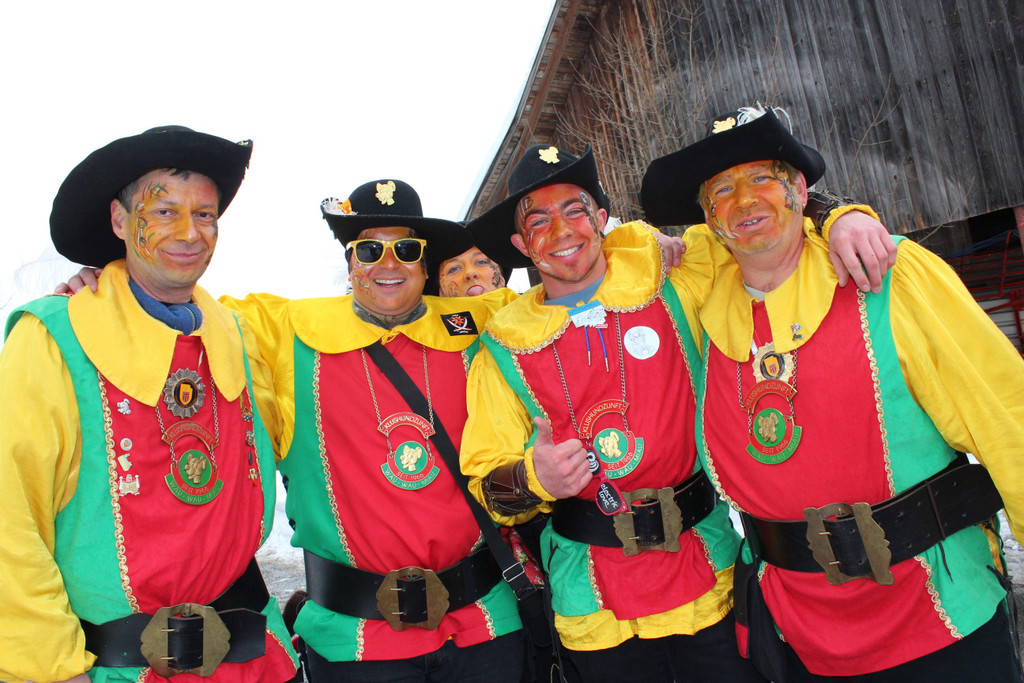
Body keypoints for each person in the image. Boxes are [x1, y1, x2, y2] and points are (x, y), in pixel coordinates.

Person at [459, 143, 894, 682]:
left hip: (709, 578)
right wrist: (534, 478)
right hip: (594, 603)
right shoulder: (501, 348)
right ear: (521, 245)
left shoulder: (674, 277)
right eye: (539, 222)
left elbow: (759, 222)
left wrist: (840, 214)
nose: (562, 230)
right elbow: (487, 486)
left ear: (601, 219)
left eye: (575, 210)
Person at [640, 105, 1024, 681]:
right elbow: (607, 265)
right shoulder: (701, 306)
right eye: (722, 190)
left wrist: (839, 212)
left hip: (937, 614)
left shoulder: (890, 273)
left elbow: (1008, 420)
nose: (743, 201)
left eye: (762, 178)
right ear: (708, 218)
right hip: (798, 633)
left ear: (799, 189)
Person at [0, 126, 298, 682]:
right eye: (163, 212)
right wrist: (50, 666)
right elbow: (9, 517)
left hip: (254, 662)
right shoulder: (54, 338)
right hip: (116, 669)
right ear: (119, 221)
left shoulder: (239, 335)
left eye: (205, 215)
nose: (189, 233)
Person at [221, 180, 528, 682]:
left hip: (485, 628)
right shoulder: (284, 331)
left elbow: (566, 295)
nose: (389, 263)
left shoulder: (478, 324)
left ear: (425, 265)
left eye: (407, 250)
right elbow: (184, 317)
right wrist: (113, 285)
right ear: (350, 263)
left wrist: (648, 247)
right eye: (369, 250)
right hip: (355, 641)